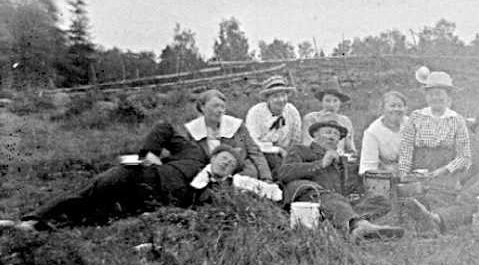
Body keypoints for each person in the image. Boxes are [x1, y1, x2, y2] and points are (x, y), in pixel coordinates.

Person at [16, 121, 209, 229]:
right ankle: (34, 218)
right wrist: (151, 152)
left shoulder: (213, 183)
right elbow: (164, 128)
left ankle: (38, 228)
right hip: (135, 175)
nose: (223, 160)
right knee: (88, 194)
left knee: (97, 216)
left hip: (146, 202)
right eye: (221, 154)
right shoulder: (193, 152)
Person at [277, 119, 404, 239]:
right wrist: (321, 164)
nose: (332, 137)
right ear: (315, 134)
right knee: (328, 196)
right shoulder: (301, 150)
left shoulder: (339, 160)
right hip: (308, 200)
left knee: (381, 202)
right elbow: (284, 173)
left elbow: (350, 186)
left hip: (334, 203)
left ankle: (346, 222)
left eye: (336, 134)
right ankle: (358, 225)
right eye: (328, 132)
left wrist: (375, 171)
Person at [404, 107, 479, 233]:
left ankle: (438, 219)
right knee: (442, 192)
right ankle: (426, 215)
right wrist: (462, 180)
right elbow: (474, 167)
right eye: (477, 131)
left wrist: (464, 179)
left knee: (470, 196)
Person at [398, 70, 471, 208]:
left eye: (439, 93)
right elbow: (406, 149)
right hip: (418, 173)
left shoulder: (457, 120)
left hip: (445, 176)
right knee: (412, 198)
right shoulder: (416, 116)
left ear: (448, 96)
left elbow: (464, 157)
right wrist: (404, 175)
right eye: (431, 94)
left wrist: (444, 169)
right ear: (426, 97)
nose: (435, 98)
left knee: (438, 200)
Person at [184, 89, 272, 182]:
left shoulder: (236, 125)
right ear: (202, 107)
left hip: (241, 174)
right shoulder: (193, 130)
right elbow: (190, 160)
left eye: (223, 107)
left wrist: (266, 177)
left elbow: (255, 152)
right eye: (215, 106)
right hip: (210, 175)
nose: (220, 110)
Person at [245, 75, 302, 178]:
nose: (281, 100)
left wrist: (288, 155)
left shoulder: (291, 111)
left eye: (283, 95)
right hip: (261, 153)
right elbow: (252, 143)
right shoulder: (256, 113)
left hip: (285, 153)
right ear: (267, 98)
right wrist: (277, 149)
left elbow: (295, 138)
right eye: (275, 96)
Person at [301, 81, 356, 155]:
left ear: (340, 102)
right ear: (322, 101)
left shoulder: (345, 121)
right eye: (327, 101)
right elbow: (307, 145)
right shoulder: (311, 118)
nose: (331, 105)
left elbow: (351, 149)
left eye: (335, 100)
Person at [359, 90, 407, 176]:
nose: (396, 109)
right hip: (386, 175)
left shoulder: (411, 124)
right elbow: (368, 165)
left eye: (400, 106)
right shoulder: (372, 132)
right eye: (392, 106)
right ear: (382, 109)